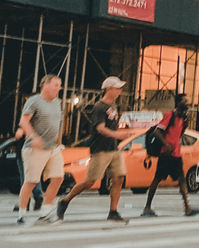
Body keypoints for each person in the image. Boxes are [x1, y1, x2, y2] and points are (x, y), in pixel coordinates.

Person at [51, 77, 137, 224]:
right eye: (117, 88)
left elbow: (112, 127)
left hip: (113, 148)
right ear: (108, 88)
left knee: (119, 178)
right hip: (100, 149)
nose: (120, 91)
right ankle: (64, 201)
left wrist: (121, 134)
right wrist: (118, 134)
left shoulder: (114, 107)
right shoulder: (100, 107)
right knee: (90, 181)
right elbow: (100, 128)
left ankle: (113, 211)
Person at [15, 75, 65, 224]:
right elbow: (23, 121)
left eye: (60, 85)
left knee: (58, 177)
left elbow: (58, 123)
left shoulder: (57, 102)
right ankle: (21, 214)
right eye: (56, 85)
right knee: (31, 181)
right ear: (46, 85)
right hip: (35, 148)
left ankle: (45, 212)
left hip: (53, 148)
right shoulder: (34, 101)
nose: (59, 88)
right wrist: (33, 137)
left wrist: (59, 142)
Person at [142, 95, 199, 218]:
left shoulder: (181, 118)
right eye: (185, 101)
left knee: (181, 180)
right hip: (166, 154)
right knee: (157, 179)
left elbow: (178, 135)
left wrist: (186, 124)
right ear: (178, 103)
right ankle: (147, 207)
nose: (187, 103)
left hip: (176, 154)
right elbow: (157, 131)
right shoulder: (170, 115)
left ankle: (187, 207)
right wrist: (166, 144)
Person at [12, 126, 44, 213]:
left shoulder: (26, 119)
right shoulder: (40, 119)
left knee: (25, 178)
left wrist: (22, 129)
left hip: (24, 152)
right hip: (37, 152)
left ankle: (25, 202)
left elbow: (18, 135)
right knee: (34, 175)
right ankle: (38, 196)